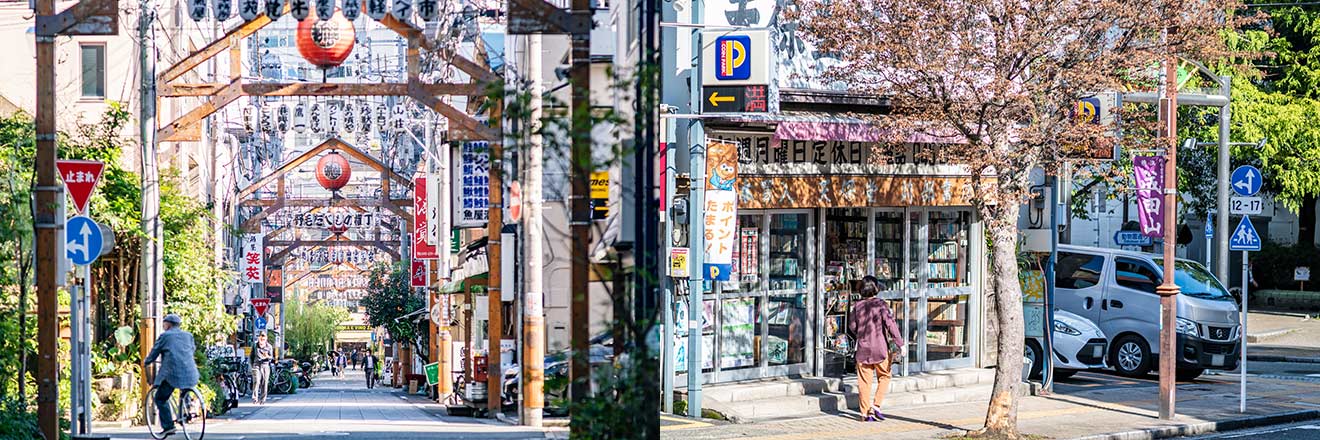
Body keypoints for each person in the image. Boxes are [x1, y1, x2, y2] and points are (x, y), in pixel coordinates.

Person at [849, 276, 905, 422]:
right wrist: (900, 343)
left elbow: (852, 326)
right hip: (880, 348)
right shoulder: (881, 305)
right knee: (885, 376)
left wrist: (861, 333)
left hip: (863, 348)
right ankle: (876, 405)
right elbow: (890, 324)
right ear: (876, 288)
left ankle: (865, 413)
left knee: (864, 381)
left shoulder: (857, 306)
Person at [144, 314, 199, 437]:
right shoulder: (188, 336)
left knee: (160, 398)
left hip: (172, 372)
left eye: (164, 323)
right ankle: (188, 408)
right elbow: (192, 350)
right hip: (190, 371)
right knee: (185, 389)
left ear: (168, 324)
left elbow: (154, 352)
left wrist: (146, 361)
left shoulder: (165, 336)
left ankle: (169, 426)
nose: (163, 326)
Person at [251, 331, 274, 405]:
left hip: (265, 365)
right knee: (257, 381)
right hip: (257, 365)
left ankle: (263, 399)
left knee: (264, 382)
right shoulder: (255, 345)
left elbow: (271, 357)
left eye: (264, 337)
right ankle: (255, 398)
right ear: (259, 337)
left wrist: (267, 356)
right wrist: (252, 365)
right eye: (261, 336)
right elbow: (251, 356)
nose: (262, 338)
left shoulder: (269, 346)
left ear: (266, 338)